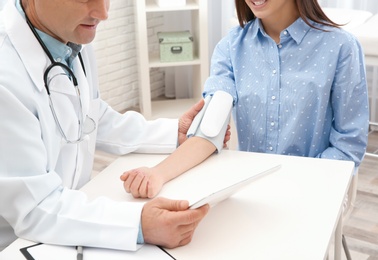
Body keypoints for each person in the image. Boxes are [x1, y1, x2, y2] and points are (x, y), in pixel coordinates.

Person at [0, 0, 230, 252]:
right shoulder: (6, 76)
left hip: (72, 221)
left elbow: (91, 117)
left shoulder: (68, 37)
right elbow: (35, 208)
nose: (103, 13)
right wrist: (138, 224)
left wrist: (173, 133)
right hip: (18, 243)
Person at [202, 0, 369, 166]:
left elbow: (348, 144)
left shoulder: (341, 47)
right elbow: (210, 122)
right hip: (247, 182)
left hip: (314, 184)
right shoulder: (230, 46)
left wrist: (300, 181)